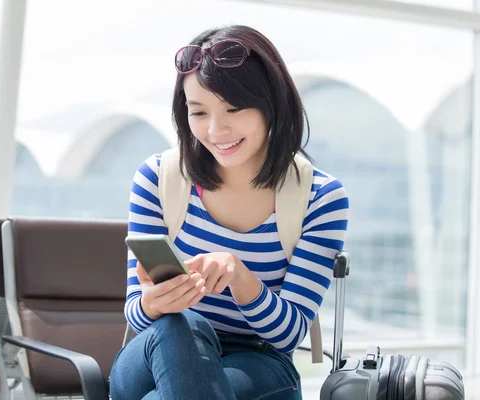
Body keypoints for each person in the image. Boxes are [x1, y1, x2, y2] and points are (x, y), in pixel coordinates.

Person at [109, 25, 349, 400]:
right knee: (183, 326)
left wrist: (239, 275)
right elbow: (135, 315)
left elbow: (288, 333)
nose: (216, 129)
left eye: (234, 108)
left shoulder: (320, 197)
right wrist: (153, 303)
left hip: (257, 359)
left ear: (272, 104)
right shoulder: (158, 178)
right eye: (199, 112)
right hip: (155, 351)